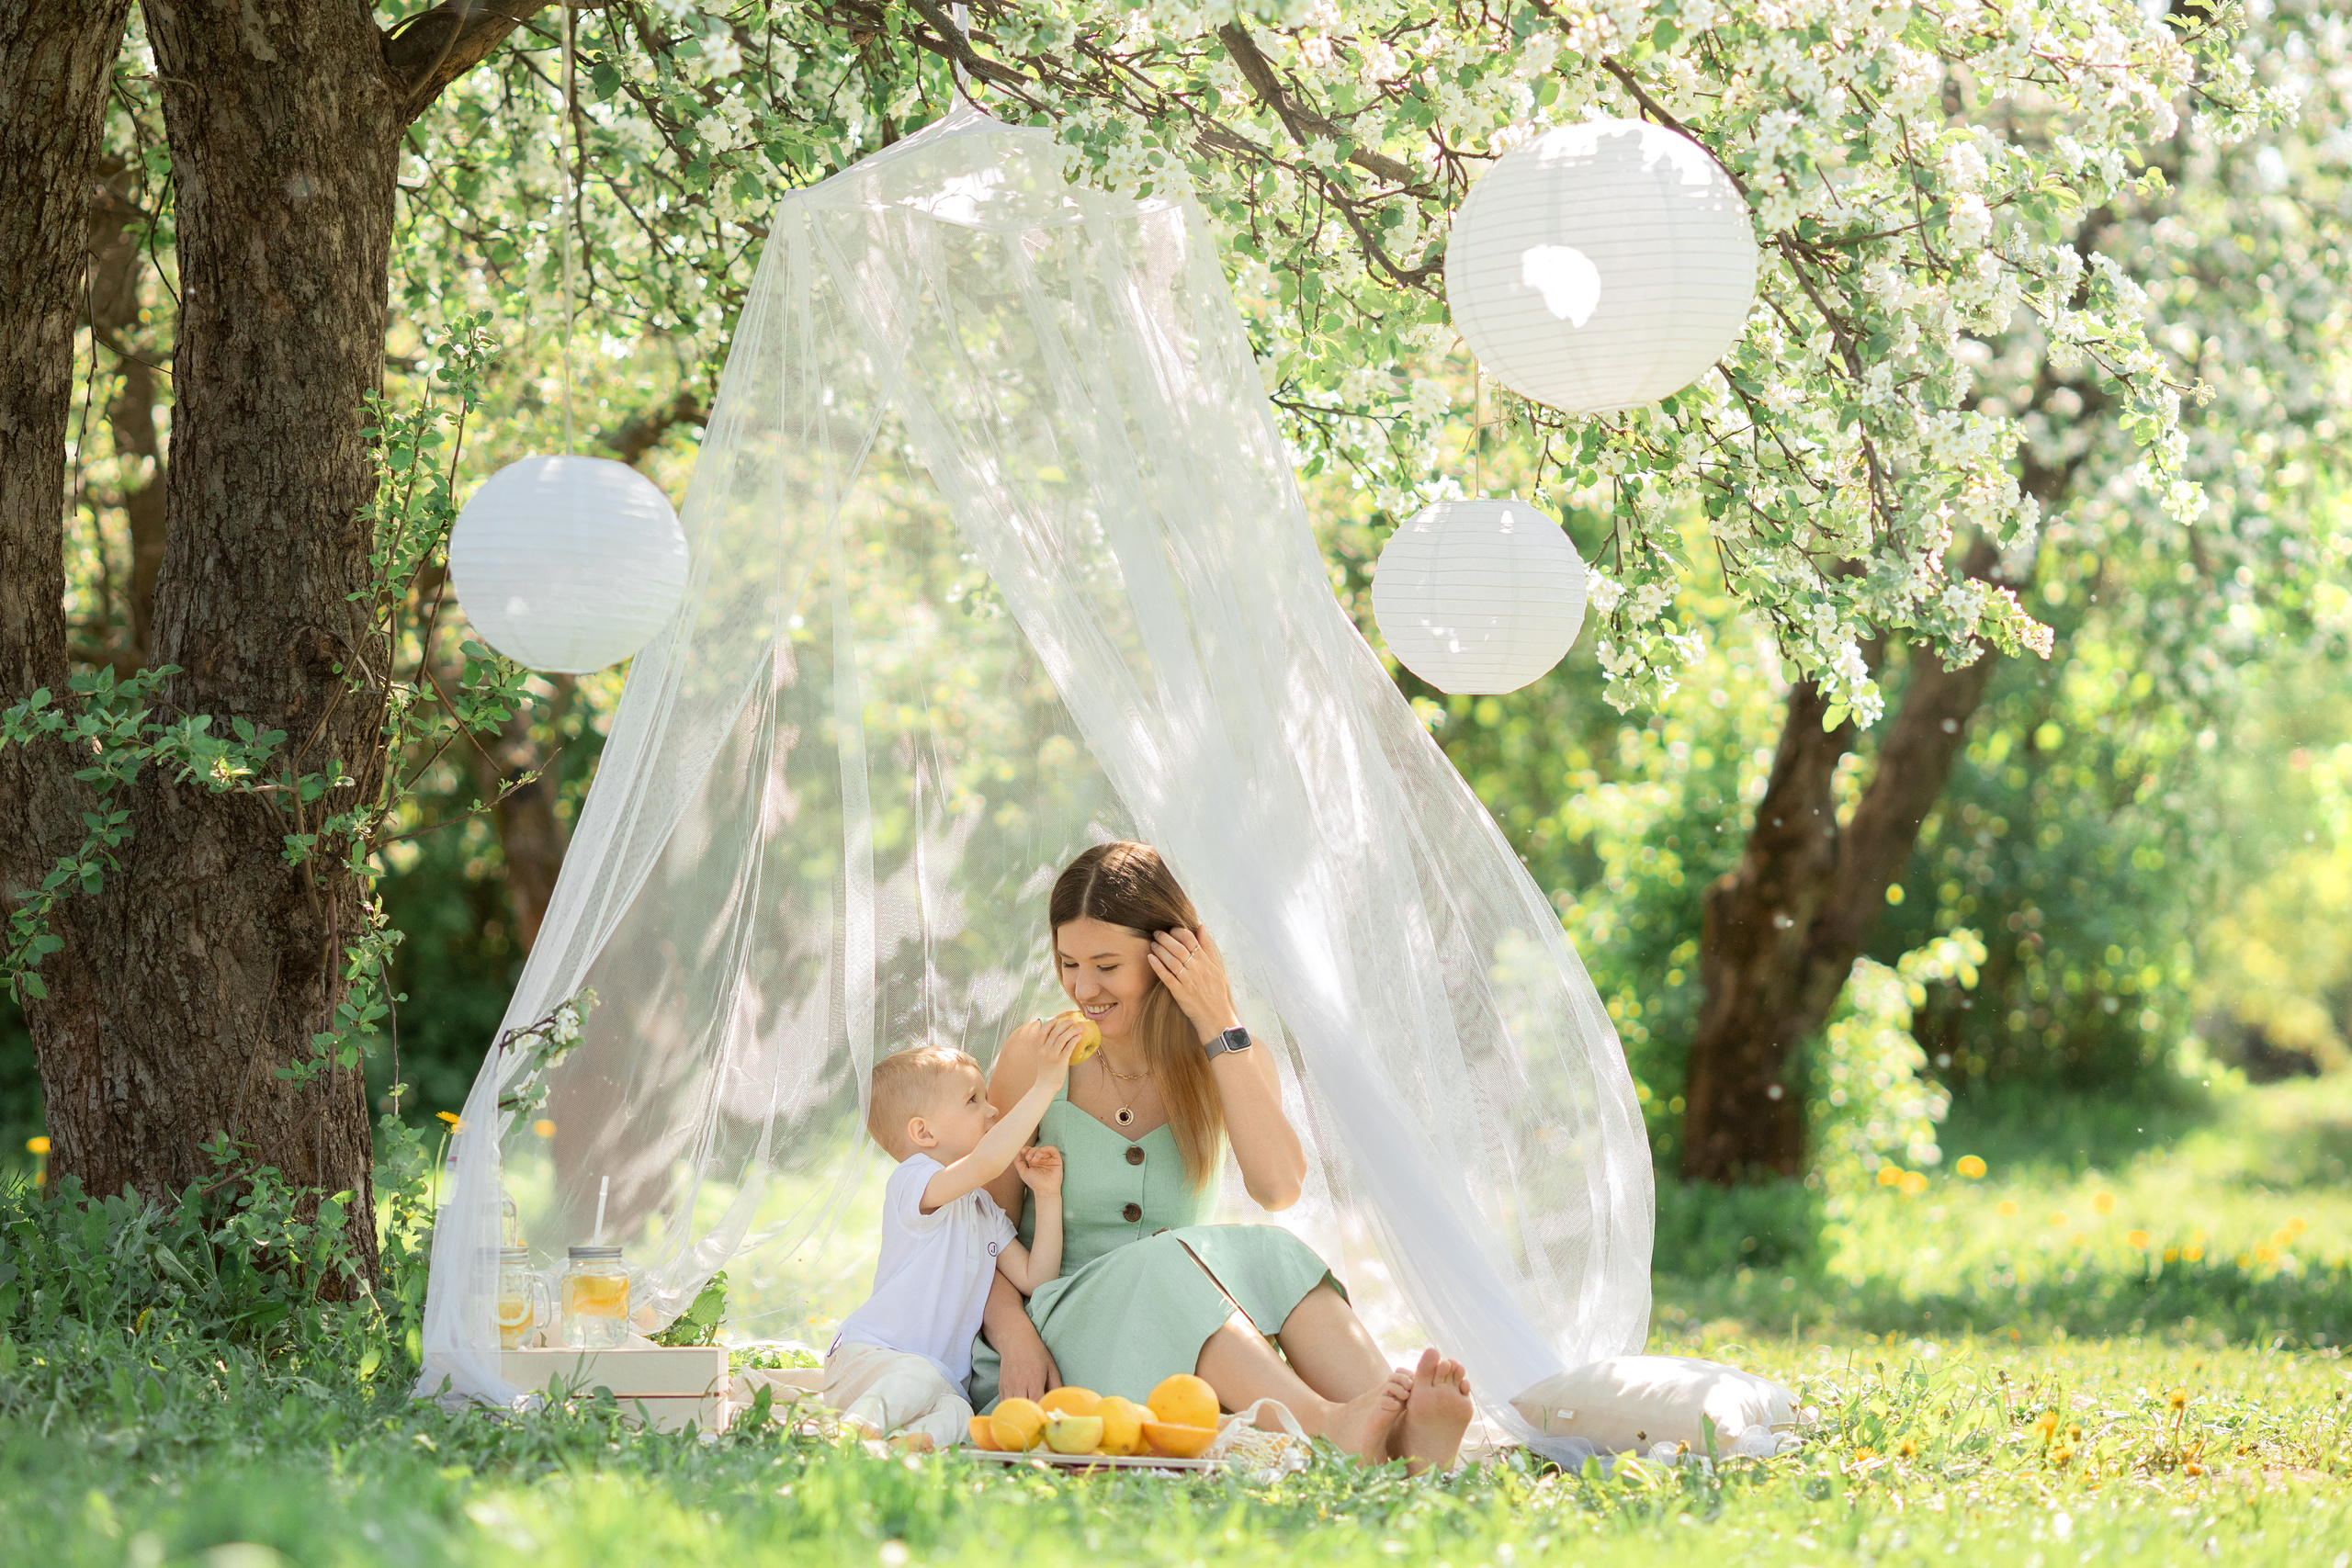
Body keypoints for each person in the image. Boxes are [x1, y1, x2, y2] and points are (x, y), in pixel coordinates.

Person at [971, 841, 1474, 1472]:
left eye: (1106, 964)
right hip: (1052, 1341)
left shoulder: (1226, 1054)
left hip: (1181, 1324)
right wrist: (1014, 1333)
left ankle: (1405, 1441)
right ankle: (1325, 1424)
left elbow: (1278, 1187)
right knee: (1168, 1261)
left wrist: (1219, 1022)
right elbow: (978, 1230)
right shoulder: (1037, 1053)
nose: (1081, 987)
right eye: (1069, 962)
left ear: (1170, 958)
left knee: (1275, 1249)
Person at [825, 1029, 1085, 1450]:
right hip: (869, 1359)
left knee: (961, 1413)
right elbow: (986, 1163)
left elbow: (1036, 1279)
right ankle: (849, 1430)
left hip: (934, 1379)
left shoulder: (981, 1208)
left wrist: (1048, 1195)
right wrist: (1046, 1085)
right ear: (924, 1133)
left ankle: (899, 1449)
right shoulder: (913, 1184)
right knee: (922, 1377)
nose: (992, 1109)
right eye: (973, 1100)